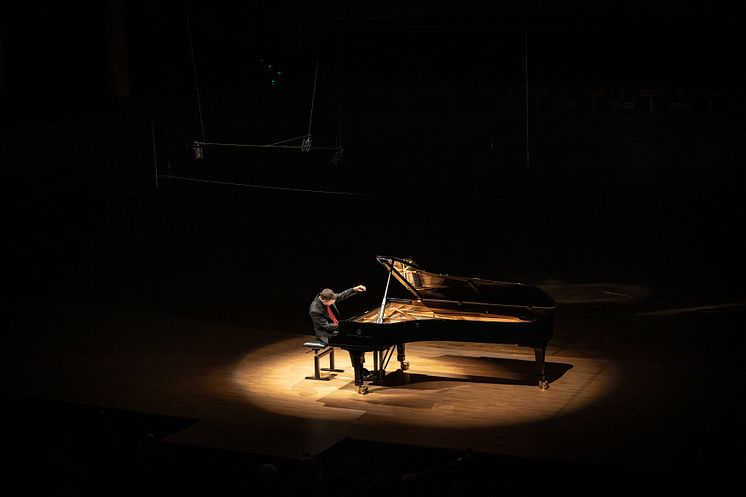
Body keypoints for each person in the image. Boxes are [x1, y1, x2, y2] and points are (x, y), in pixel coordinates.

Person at [309, 284, 373, 379]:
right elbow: (326, 326)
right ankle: (359, 371)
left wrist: (354, 289)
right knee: (352, 342)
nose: (332, 304)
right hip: (325, 333)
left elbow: (341, 295)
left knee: (356, 338)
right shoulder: (315, 310)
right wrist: (343, 326)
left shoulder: (328, 296)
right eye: (330, 303)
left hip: (336, 327)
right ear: (323, 300)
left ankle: (361, 368)